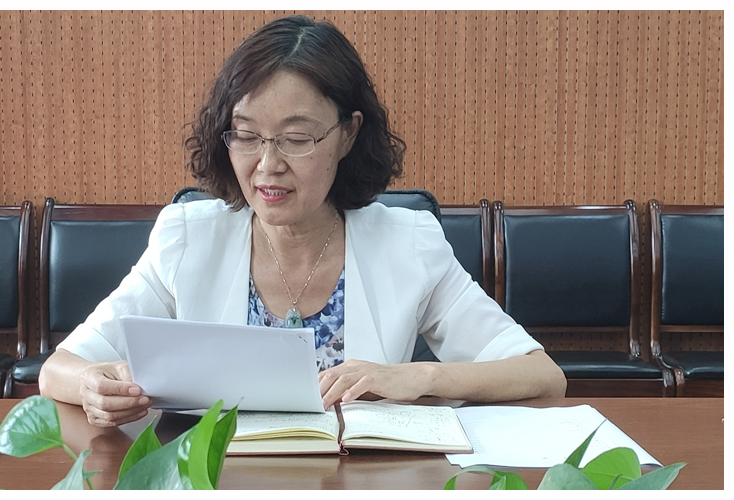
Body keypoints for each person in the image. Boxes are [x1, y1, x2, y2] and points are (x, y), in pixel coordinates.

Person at [39, 15, 566, 427]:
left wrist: (418, 377)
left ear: (348, 133)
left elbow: (542, 376)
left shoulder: (408, 243)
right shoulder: (187, 238)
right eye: (247, 135)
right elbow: (59, 369)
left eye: (296, 138)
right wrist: (95, 385)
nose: (268, 165)